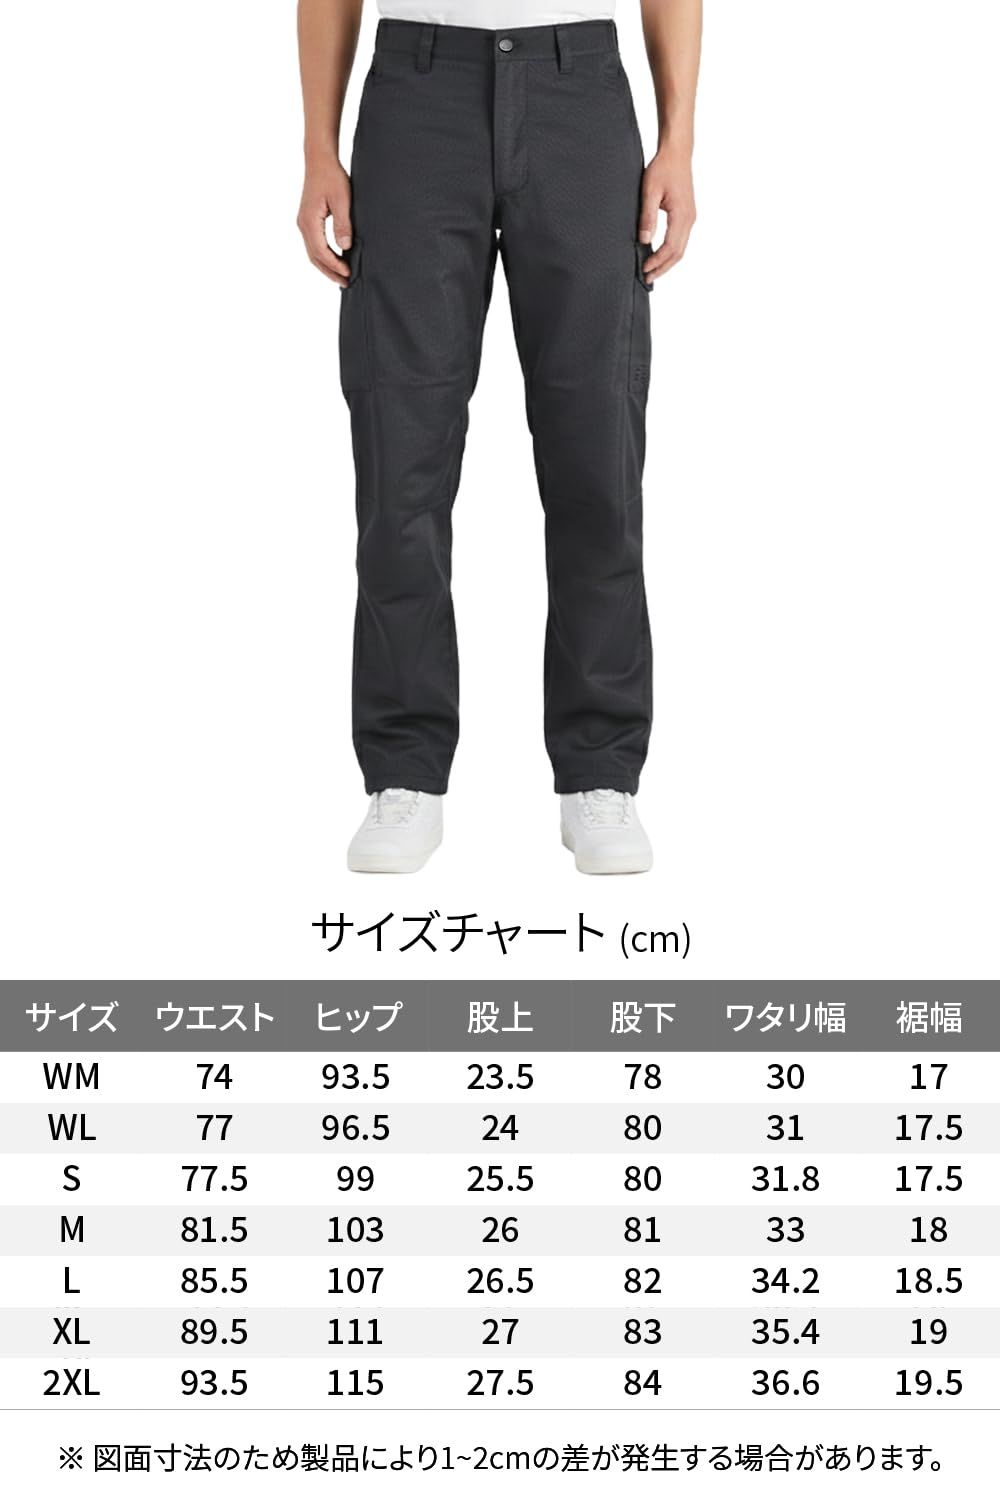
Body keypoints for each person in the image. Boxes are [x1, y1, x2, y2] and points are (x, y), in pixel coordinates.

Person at [297, 0, 701, 874]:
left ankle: (601, 772)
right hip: (416, 98)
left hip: (578, 94)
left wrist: (678, 143)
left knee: (597, 456)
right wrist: (318, 148)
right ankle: (403, 772)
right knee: (400, 462)